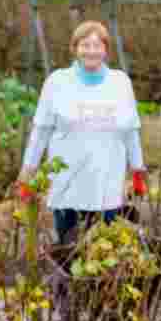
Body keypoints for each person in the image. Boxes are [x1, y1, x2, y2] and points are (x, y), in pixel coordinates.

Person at [19, 20, 147, 245]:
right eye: (85, 45)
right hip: (67, 184)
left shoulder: (120, 83)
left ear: (106, 50)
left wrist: (138, 170)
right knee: (68, 246)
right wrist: (28, 172)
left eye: (97, 45)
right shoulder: (57, 82)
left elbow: (130, 130)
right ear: (75, 48)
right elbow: (41, 130)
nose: (91, 51)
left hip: (106, 182)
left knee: (105, 248)